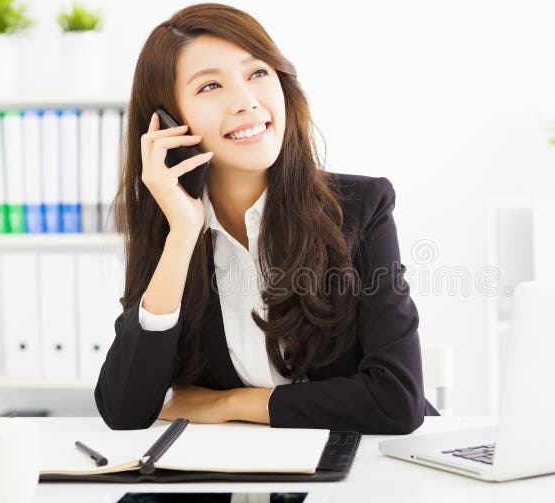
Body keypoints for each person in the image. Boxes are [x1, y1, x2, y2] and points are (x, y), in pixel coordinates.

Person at [95, 2, 439, 434]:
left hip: (370, 471)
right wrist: (183, 234)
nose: (245, 101)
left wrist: (231, 404)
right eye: (210, 87)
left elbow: (395, 402)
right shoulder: (170, 228)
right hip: (248, 478)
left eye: (257, 73)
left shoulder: (361, 207)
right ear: (167, 122)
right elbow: (125, 410)